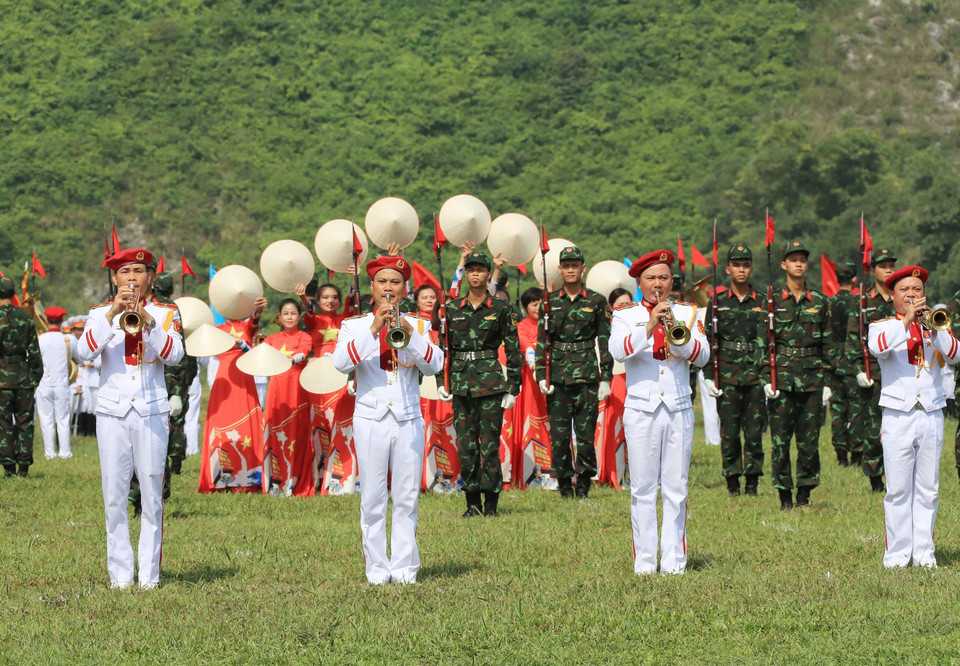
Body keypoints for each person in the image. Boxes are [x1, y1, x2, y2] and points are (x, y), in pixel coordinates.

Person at [75, 248, 183, 589]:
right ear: (115, 278)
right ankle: (120, 576)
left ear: (151, 276)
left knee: (152, 495)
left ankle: (149, 576)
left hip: (151, 410)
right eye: (125, 272)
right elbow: (83, 353)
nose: (132, 278)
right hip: (112, 411)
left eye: (139, 271)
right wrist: (112, 314)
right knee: (114, 494)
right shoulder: (97, 313)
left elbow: (176, 355)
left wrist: (148, 322)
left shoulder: (166, 313)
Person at [333, 255, 443, 584]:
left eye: (395, 282)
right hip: (371, 418)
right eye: (383, 282)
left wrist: (407, 330)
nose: (388, 288)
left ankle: (405, 569)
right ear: (372, 287)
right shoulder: (353, 326)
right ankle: (378, 571)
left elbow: (435, 365)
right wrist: (375, 327)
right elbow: (340, 363)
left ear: (405, 288)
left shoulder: (419, 324)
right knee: (373, 498)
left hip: (408, 418)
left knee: (407, 497)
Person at [609, 250, 709, 575]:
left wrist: (677, 330)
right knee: (642, 489)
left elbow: (703, 356)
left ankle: (674, 565)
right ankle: (645, 564)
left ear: (671, 282)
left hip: (678, 408)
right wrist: (650, 326)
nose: (658, 284)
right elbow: (618, 351)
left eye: (664, 277)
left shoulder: (689, 312)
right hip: (641, 410)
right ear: (640, 282)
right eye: (651, 278)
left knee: (677, 489)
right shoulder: (625, 315)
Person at [868, 265, 960, 568]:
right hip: (898, 414)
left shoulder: (936, 325)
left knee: (928, 489)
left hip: (931, 413)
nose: (912, 295)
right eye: (904, 290)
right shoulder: (882, 326)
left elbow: (955, 355)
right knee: (897, 489)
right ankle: (896, 557)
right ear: (892, 295)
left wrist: (937, 330)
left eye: (917, 290)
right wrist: (906, 321)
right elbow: (877, 348)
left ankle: (924, 555)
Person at [437, 250, 521, 517]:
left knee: (490, 445)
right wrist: (441, 380)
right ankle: (472, 502)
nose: (475, 274)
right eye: (470, 269)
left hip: (491, 384)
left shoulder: (501, 309)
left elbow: (514, 349)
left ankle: (492, 504)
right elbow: (442, 348)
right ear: (466, 274)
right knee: (466, 446)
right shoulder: (450, 309)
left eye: (480, 270)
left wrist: (513, 387)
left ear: (488, 274)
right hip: (461, 384)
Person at [536, 246, 613, 499]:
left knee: (586, 436)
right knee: (559, 437)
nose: (570, 269)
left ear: (583, 268)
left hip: (587, 377)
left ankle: (584, 484)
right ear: (559, 269)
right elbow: (541, 342)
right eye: (566, 265)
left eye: (575, 265)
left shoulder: (596, 301)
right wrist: (540, 375)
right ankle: (565, 484)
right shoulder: (549, 303)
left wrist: (606, 377)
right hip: (557, 376)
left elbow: (605, 340)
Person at [763, 241, 832, 510]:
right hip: (781, 379)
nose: (798, 264)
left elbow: (828, 343)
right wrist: (765, 379)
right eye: (793, 260)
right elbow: (762, 343)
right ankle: (784, 496)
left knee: (809, 443)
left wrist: (828, 381)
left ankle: (804, 494)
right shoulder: (771, 302)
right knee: (780, 442)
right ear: (784, 265)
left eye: (802, 259)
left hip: (813, 380)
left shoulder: (820, 301)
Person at [703, 244, 766, 496]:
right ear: (728, 269)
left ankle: (752, 482)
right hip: (727, 376)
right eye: (737, 265)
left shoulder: (762, 301)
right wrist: (708, 376)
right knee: (728, 433)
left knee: (754, 433)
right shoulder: (716, 303)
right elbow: (709, 341)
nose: (742, 270)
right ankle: (732, 482)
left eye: (746, 265)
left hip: (755, 376)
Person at [198, 295, 268, 493]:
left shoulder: (247, 327)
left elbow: (254, 324)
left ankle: (248, 480)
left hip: (244, 379)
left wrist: (258, 312)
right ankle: (220, 478)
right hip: (224, 381)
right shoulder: (217, 330)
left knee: (246, 425)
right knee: (221, 425)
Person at [847, 248, 897, 493]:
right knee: (874, 429)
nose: (888, 269)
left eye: (891, 265)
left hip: (899, 373)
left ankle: (897, 474)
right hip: (873, 375)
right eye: (883, 265)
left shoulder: (902, 297)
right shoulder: (863, 301)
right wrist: (858, 370)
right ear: (872, 270)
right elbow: (854, 339)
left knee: (898, 429)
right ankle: (876, 478)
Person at [262, 298, 313, 496]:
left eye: (293, 313)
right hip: (276, 391)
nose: (290, 317)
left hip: (297, 389)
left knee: (297, 432)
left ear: (299, 316)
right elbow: (259, 354)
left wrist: (289, 359)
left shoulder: (304, 337)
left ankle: (297, 480)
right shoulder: (272, 340)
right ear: (280, 317)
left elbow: (303, 354)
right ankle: (275, 481)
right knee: (275, 431)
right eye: (286, 314)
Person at [0, 276, 42, 477]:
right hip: (24, 377)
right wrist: (34, 378)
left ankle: (8, 469)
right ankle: (24, 467)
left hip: (1, 380)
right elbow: (34, 353)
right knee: (26, 424)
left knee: (4, 424)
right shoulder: (25, 318)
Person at [827, 261, 859, 467]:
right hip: (852, 361)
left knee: (837, 411)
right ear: (854, 279)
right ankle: (857, 453)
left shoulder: (829, 303)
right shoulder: (857, 303)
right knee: (856, 410)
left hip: (833, 361)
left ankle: (841, 454)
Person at [35, 306, 73, 460]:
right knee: (63, 419)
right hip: (62, 382)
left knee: (46, 419)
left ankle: (49, 453)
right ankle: (65, 453)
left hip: (44, 382)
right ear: (62, 320)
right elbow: (79, 357)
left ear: (46, 320)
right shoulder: (69, 339)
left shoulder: (40, 339)